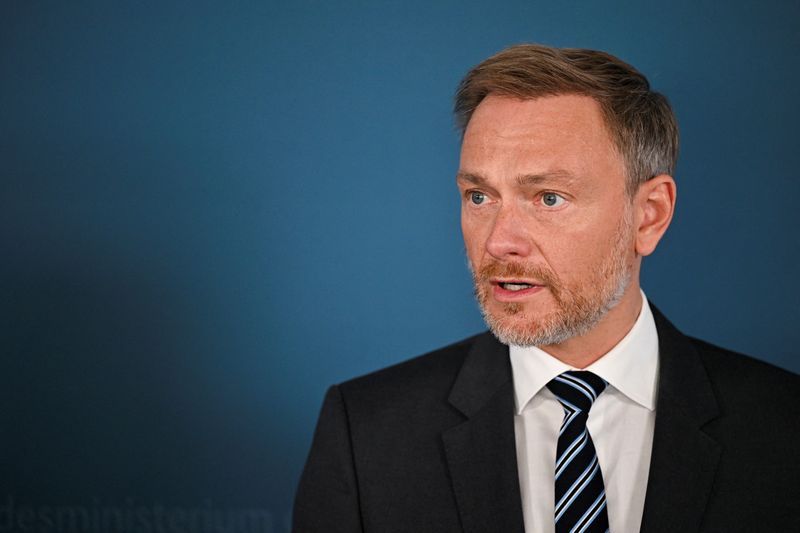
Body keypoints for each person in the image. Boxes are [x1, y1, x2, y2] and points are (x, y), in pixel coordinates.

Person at [292, 44, 800, 533]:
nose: (499, 242)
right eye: (479, 195)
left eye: (549, 198)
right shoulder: (366, 434)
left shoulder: (783, 430)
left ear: (649, 215)